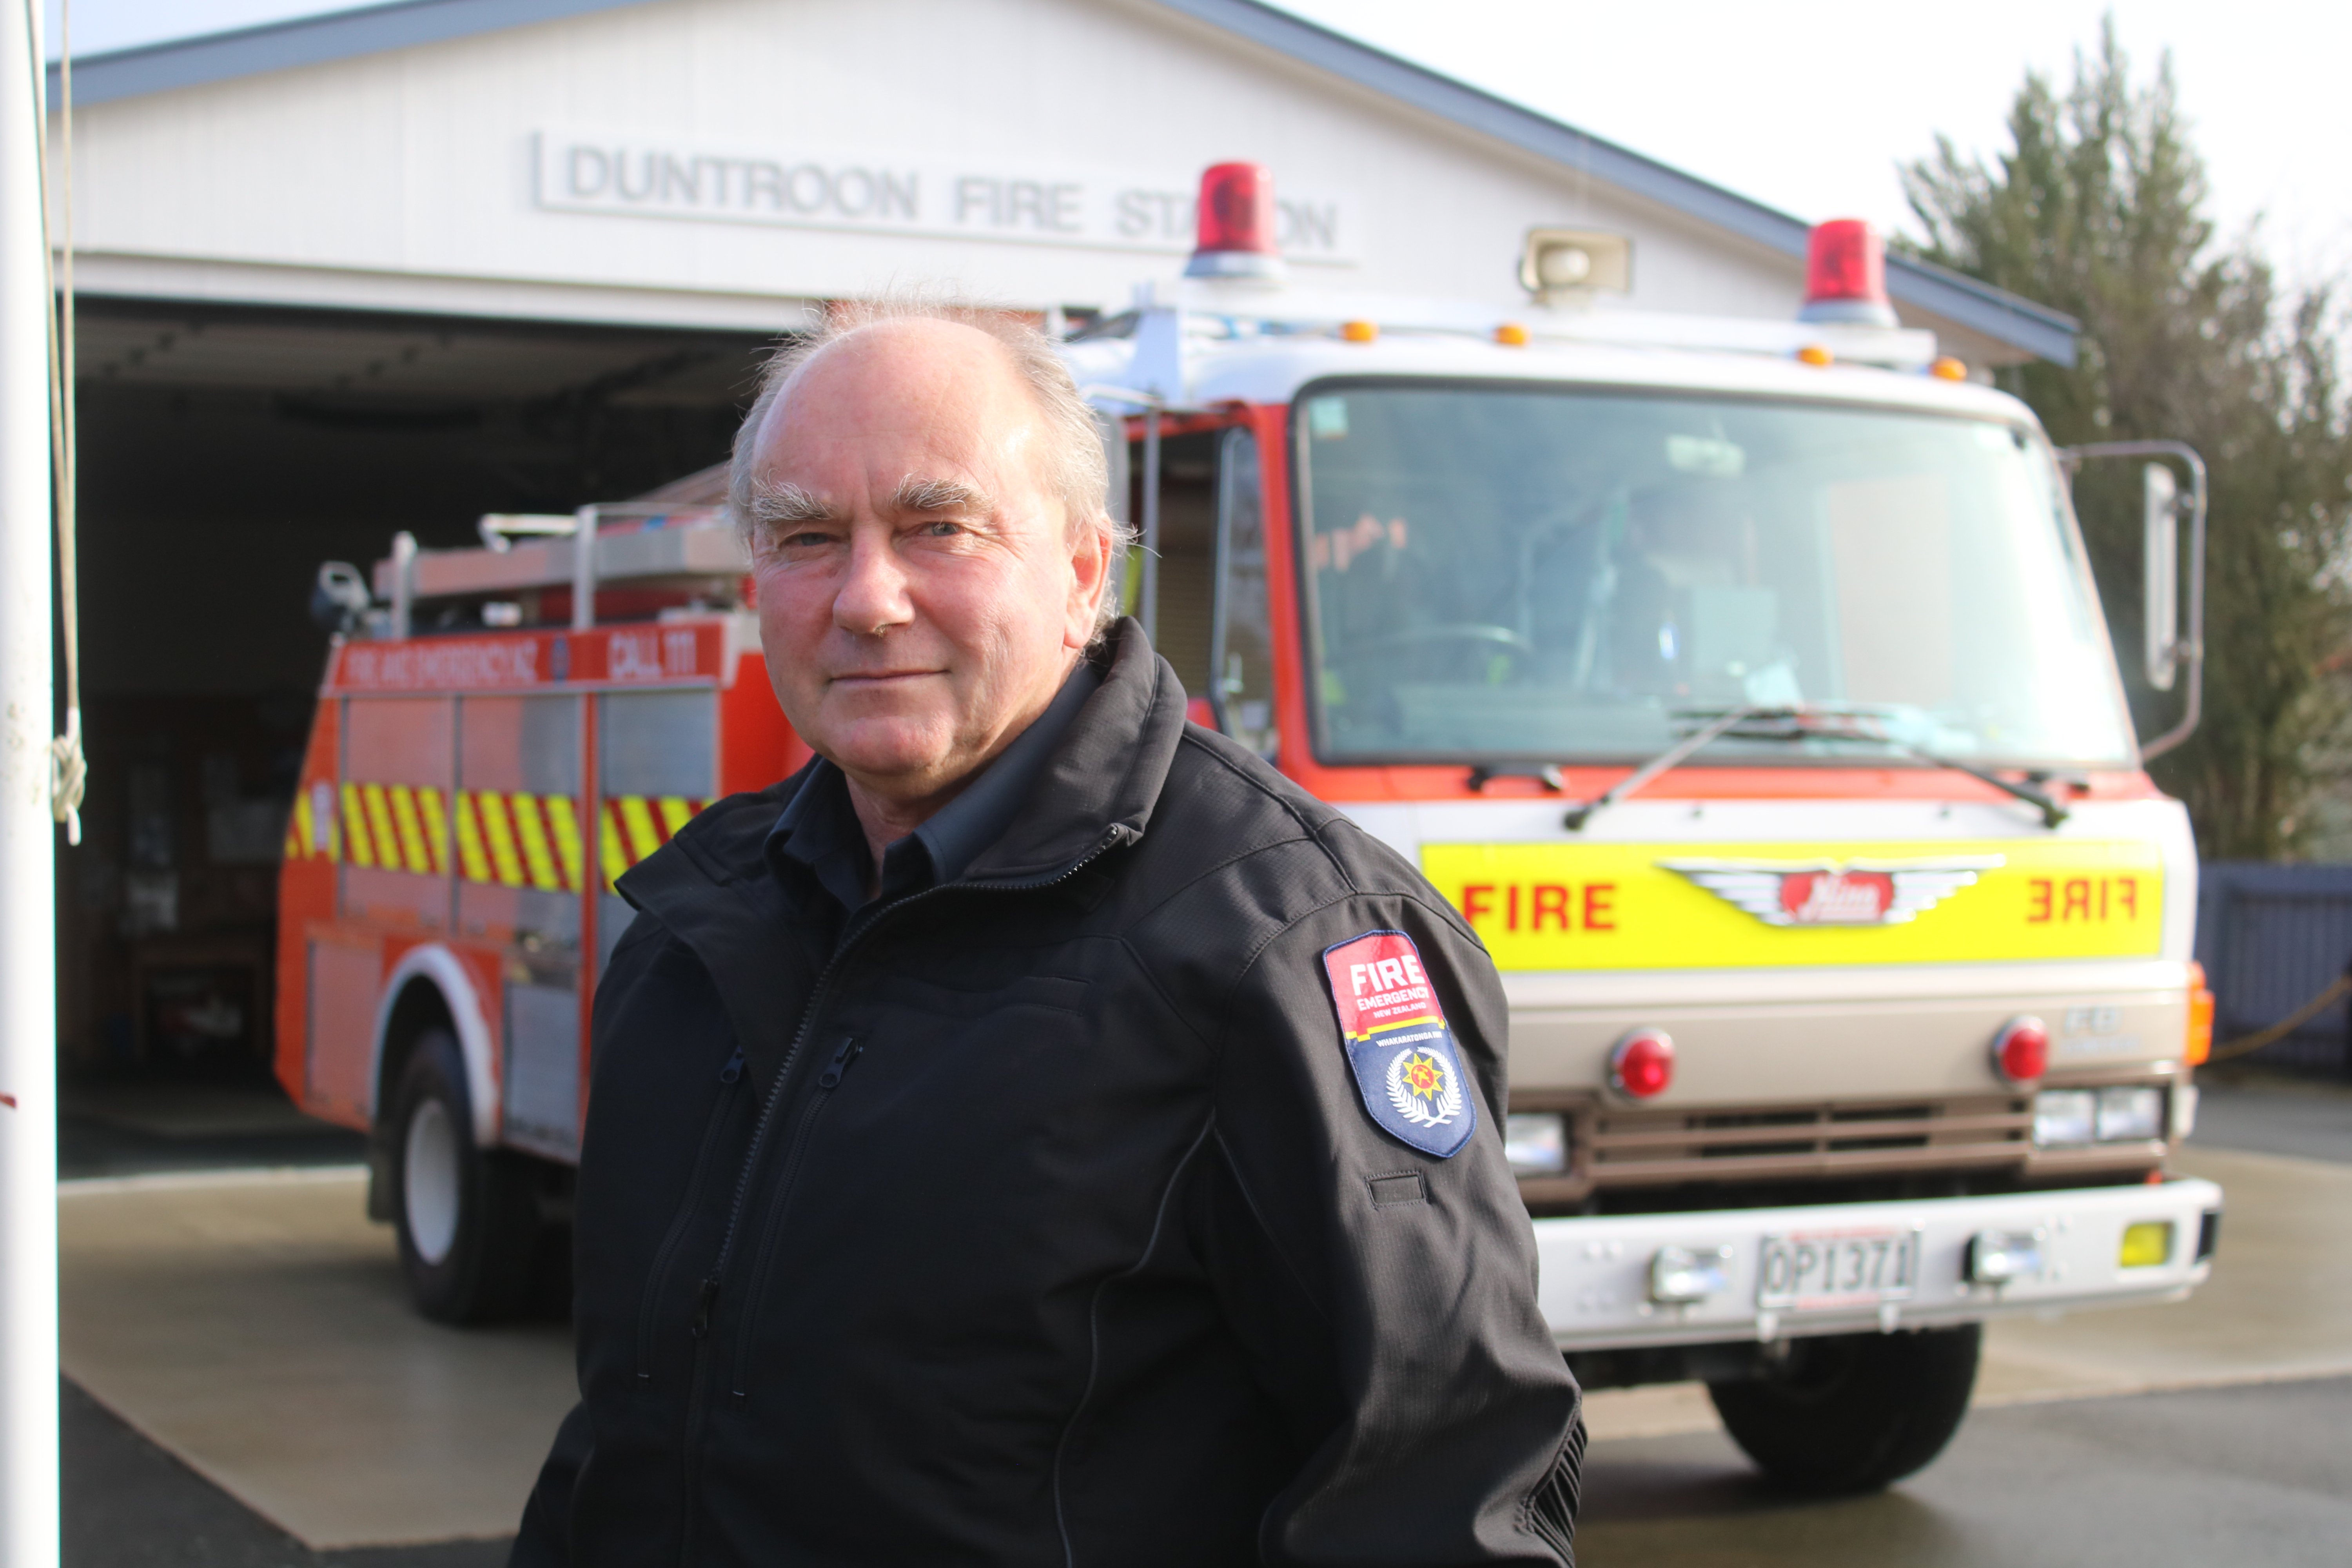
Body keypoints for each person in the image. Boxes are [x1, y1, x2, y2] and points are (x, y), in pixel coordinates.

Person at [510, 299, 1584, 1566]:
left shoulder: (1282, 946)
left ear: (1085, 569)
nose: (866, 598)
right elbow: (630, 1430)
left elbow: (1443, 1491)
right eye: (807, 537)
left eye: (938, 528)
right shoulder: (692, 933)